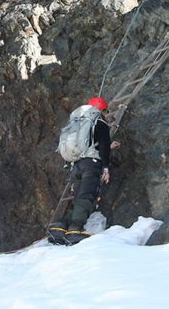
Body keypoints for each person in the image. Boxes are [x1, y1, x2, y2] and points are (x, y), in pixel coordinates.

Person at [50, 97, 120, 244]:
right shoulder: (99, 123)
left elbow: (91, 144)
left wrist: (108, 146)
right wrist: (106, 167)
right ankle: (75, 230)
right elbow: (103, 146)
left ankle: (60, 227)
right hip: (92, 164)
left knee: (77, 198)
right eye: (105, 111)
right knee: (87, 197)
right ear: (101, 110)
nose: (106, 114)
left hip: (76, 165)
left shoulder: (78, 122)